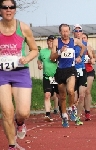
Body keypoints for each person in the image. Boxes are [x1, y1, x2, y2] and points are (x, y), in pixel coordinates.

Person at [0, 0, 38, 149]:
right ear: (1, 10)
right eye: (5, 7)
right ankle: (11, 145)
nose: (8, 10)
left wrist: (27, 58)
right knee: (7, 112)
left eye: (11, 7)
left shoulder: (23, 28)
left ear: (15, 10)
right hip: (2, 73)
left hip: (20, 72)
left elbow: (34, 49)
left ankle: (20, 123)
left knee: (23, 112)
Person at [50, 24, 86, 127]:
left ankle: (71, 109)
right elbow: (52, 57)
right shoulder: (56, 42)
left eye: (67, 31)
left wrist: (79, 56)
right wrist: (59, 52)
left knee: (70, 90)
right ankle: (64, 116)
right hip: (60, 71)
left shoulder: (74, 41)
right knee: (62, 96)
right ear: (60, 32)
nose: (65, 33)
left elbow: (83, 46)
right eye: (63, 31)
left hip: (71, 70)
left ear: (69, 32)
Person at [73, 24, 95, 125]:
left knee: (82, 95)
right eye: (76, 31)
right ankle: (71, 109)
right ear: (73, 32)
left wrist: (92, 60)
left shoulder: (86, 44)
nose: (78, 33)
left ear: (82, 32)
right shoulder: (69, 43)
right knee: (73, 96)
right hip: (71, 71)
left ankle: (78, 117)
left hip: (83, 70)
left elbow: (92, 57)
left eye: (80, 31)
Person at [37, 35, 59, 122]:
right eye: (49, 41)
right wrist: (39, 64)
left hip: (57, 76)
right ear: (47, 42)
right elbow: (39, 59)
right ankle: (47, 114)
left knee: (59, 96)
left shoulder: (58, 51)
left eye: (52, 41)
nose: (50, 42)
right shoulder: (42, 51)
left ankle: (62, 112)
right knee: (47, 95)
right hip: (47, 77)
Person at [82, 32, 96, 121]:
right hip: (79, 71)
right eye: (82, 38)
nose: (83, 39)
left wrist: (93, 60)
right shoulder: (77, 47)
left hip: (89, 71)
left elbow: (95, 58)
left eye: (85, 38)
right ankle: (81, 108)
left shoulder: (90, 48)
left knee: (87, 91)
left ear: (87, 39)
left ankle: (87, 112)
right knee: (81, 93)